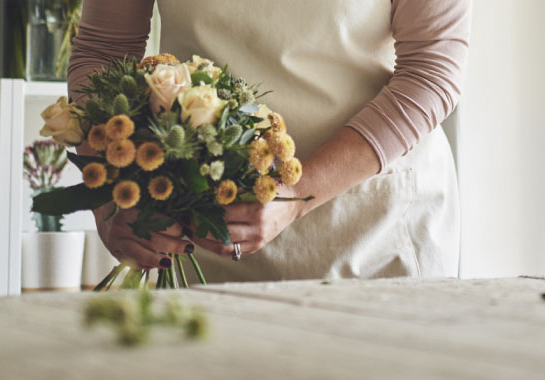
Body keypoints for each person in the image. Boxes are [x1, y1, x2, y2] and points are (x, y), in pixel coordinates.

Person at [68, 0, 469, 281]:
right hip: (206, 233)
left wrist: (297, 194)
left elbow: (432, 71)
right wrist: (109, 194)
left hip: (374, 234)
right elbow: (104, 52)